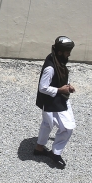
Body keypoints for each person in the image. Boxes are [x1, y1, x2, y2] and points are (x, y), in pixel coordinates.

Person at [33, 36, 76, 169]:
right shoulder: (50, 68)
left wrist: (68, 85)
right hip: (53, 102)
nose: (69, 54)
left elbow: (60, 77)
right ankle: (55, 153)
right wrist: (60, 90)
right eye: (67, 52)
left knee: (47, 124)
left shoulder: (56, 59)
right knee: (67, 128)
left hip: (55, 100)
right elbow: (43, 87)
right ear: (60, 52)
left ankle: (39, 148)